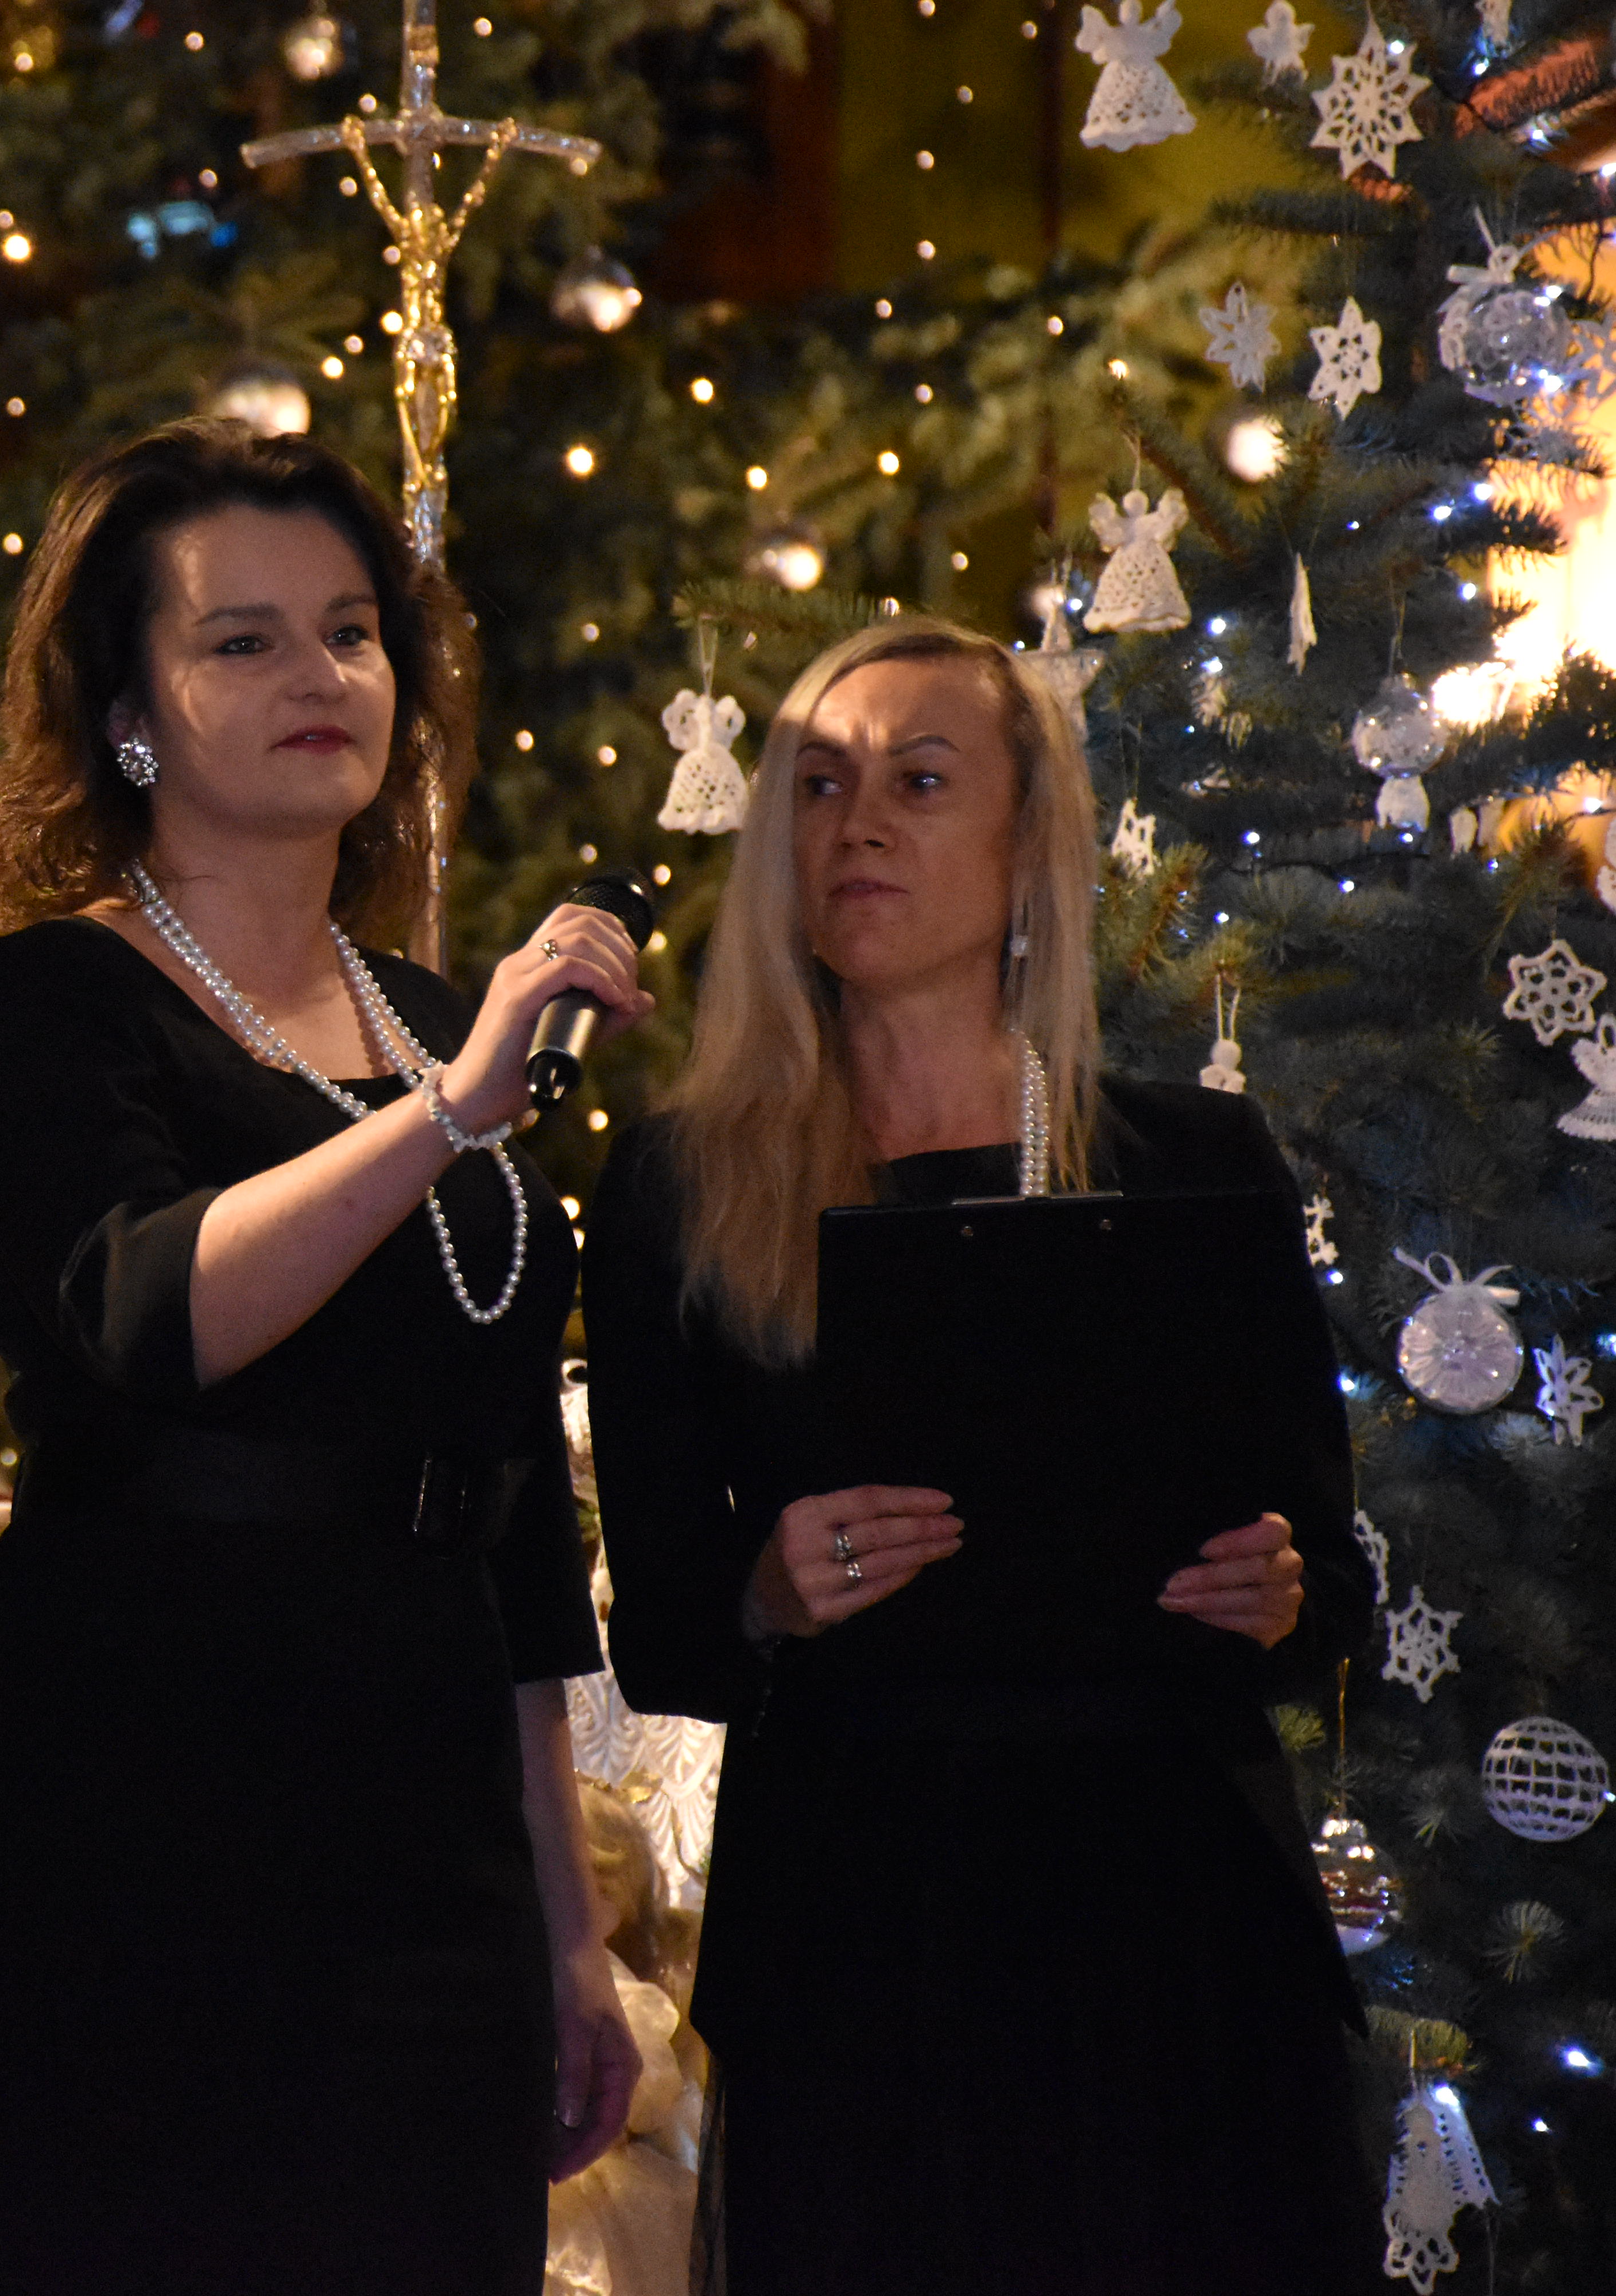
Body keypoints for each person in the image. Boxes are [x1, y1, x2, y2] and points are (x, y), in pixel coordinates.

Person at [0, 418, 650, 2296]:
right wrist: (446, 1117)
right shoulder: (51, 1000)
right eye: (243, 640)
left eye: (352, 632)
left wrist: (566, 1930)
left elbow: (510, 1519)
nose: (320, 675)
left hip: (430, 1840)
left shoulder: (433, 1015)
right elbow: (149, 1312)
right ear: (127, 712)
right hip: (129, 1820)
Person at [580, 615, 1378, 2296]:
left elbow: (1329, 1579)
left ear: (1027, 850)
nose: (857, 825)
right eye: (818, 787)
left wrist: (1277, 1591)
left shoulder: (1190, 1158)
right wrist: (765, 1591)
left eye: (920, 782)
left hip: (1171, 1908)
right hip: (863, 1922)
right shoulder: (680, 1184)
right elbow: (660, 1631)